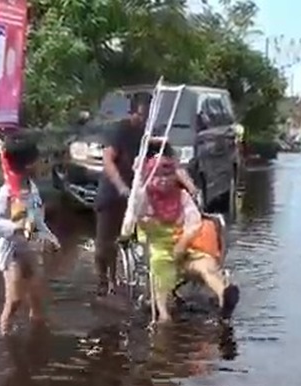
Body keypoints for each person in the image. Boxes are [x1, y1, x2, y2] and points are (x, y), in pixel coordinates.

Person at [94, 98, 197, 300]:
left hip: (140, 193)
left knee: (141, 236)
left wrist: (191, 186)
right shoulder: (120, 130)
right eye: (141, 115)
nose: (144, 120)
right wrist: (121, 186)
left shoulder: (152, 134)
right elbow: (108, 160)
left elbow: (174, 165)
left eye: (149, 116)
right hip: (113, 191)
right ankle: (103, 282)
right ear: (132, 113)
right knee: (104, 243)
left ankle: (151, 282)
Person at [136, 155, 239, 323]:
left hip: (186, 248)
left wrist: (182, 243)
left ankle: (224, 297)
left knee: (206, 266)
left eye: (167, 175)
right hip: (160, 247)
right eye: (157, 176)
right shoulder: (144, 198)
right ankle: (164, 314)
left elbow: (194, 223)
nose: (163, 180)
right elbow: (138, 219)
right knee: (161, 265)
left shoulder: (182, 197)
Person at [0, 138, 61, 336]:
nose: (42, 164)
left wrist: (50, 238)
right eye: (39, 160)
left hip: (31, 247)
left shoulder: (32, 189)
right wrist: (14, 227)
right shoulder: (7, 192)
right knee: (15, 299)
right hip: (12, 251)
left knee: (37, 297)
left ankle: (38, 336)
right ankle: (5, 333)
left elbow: (37, 222)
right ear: (28, 165)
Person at [0, 30, 22, 111]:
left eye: (12, 61)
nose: (10, 64)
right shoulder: (0, 84)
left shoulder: (20, 83)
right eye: (8, 60)